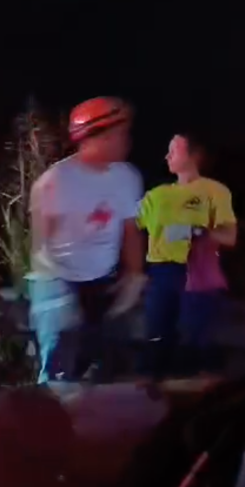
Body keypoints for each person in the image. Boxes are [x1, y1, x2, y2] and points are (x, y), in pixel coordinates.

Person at [28, 97, 146, 384]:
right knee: (59, 367)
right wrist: (60, 298)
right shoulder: (56, 181)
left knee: (103, 364)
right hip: (59, 280)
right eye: (121, 133)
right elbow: (40, 244)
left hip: (102, 280)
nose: (127, 140)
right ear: (102, 136)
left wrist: (135, 275)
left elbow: (131, 230)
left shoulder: (127, 178)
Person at [137, 132, 237, 377]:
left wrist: (199, 232)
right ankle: (153, 395)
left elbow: (230, 237)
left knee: (194, 339)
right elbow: (132, 231)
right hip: (160, 273)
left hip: (196, 272)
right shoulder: (155, 196)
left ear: (194, 155)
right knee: (157, 338)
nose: (167, 156)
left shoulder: (215, 191)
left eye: (174, 150)